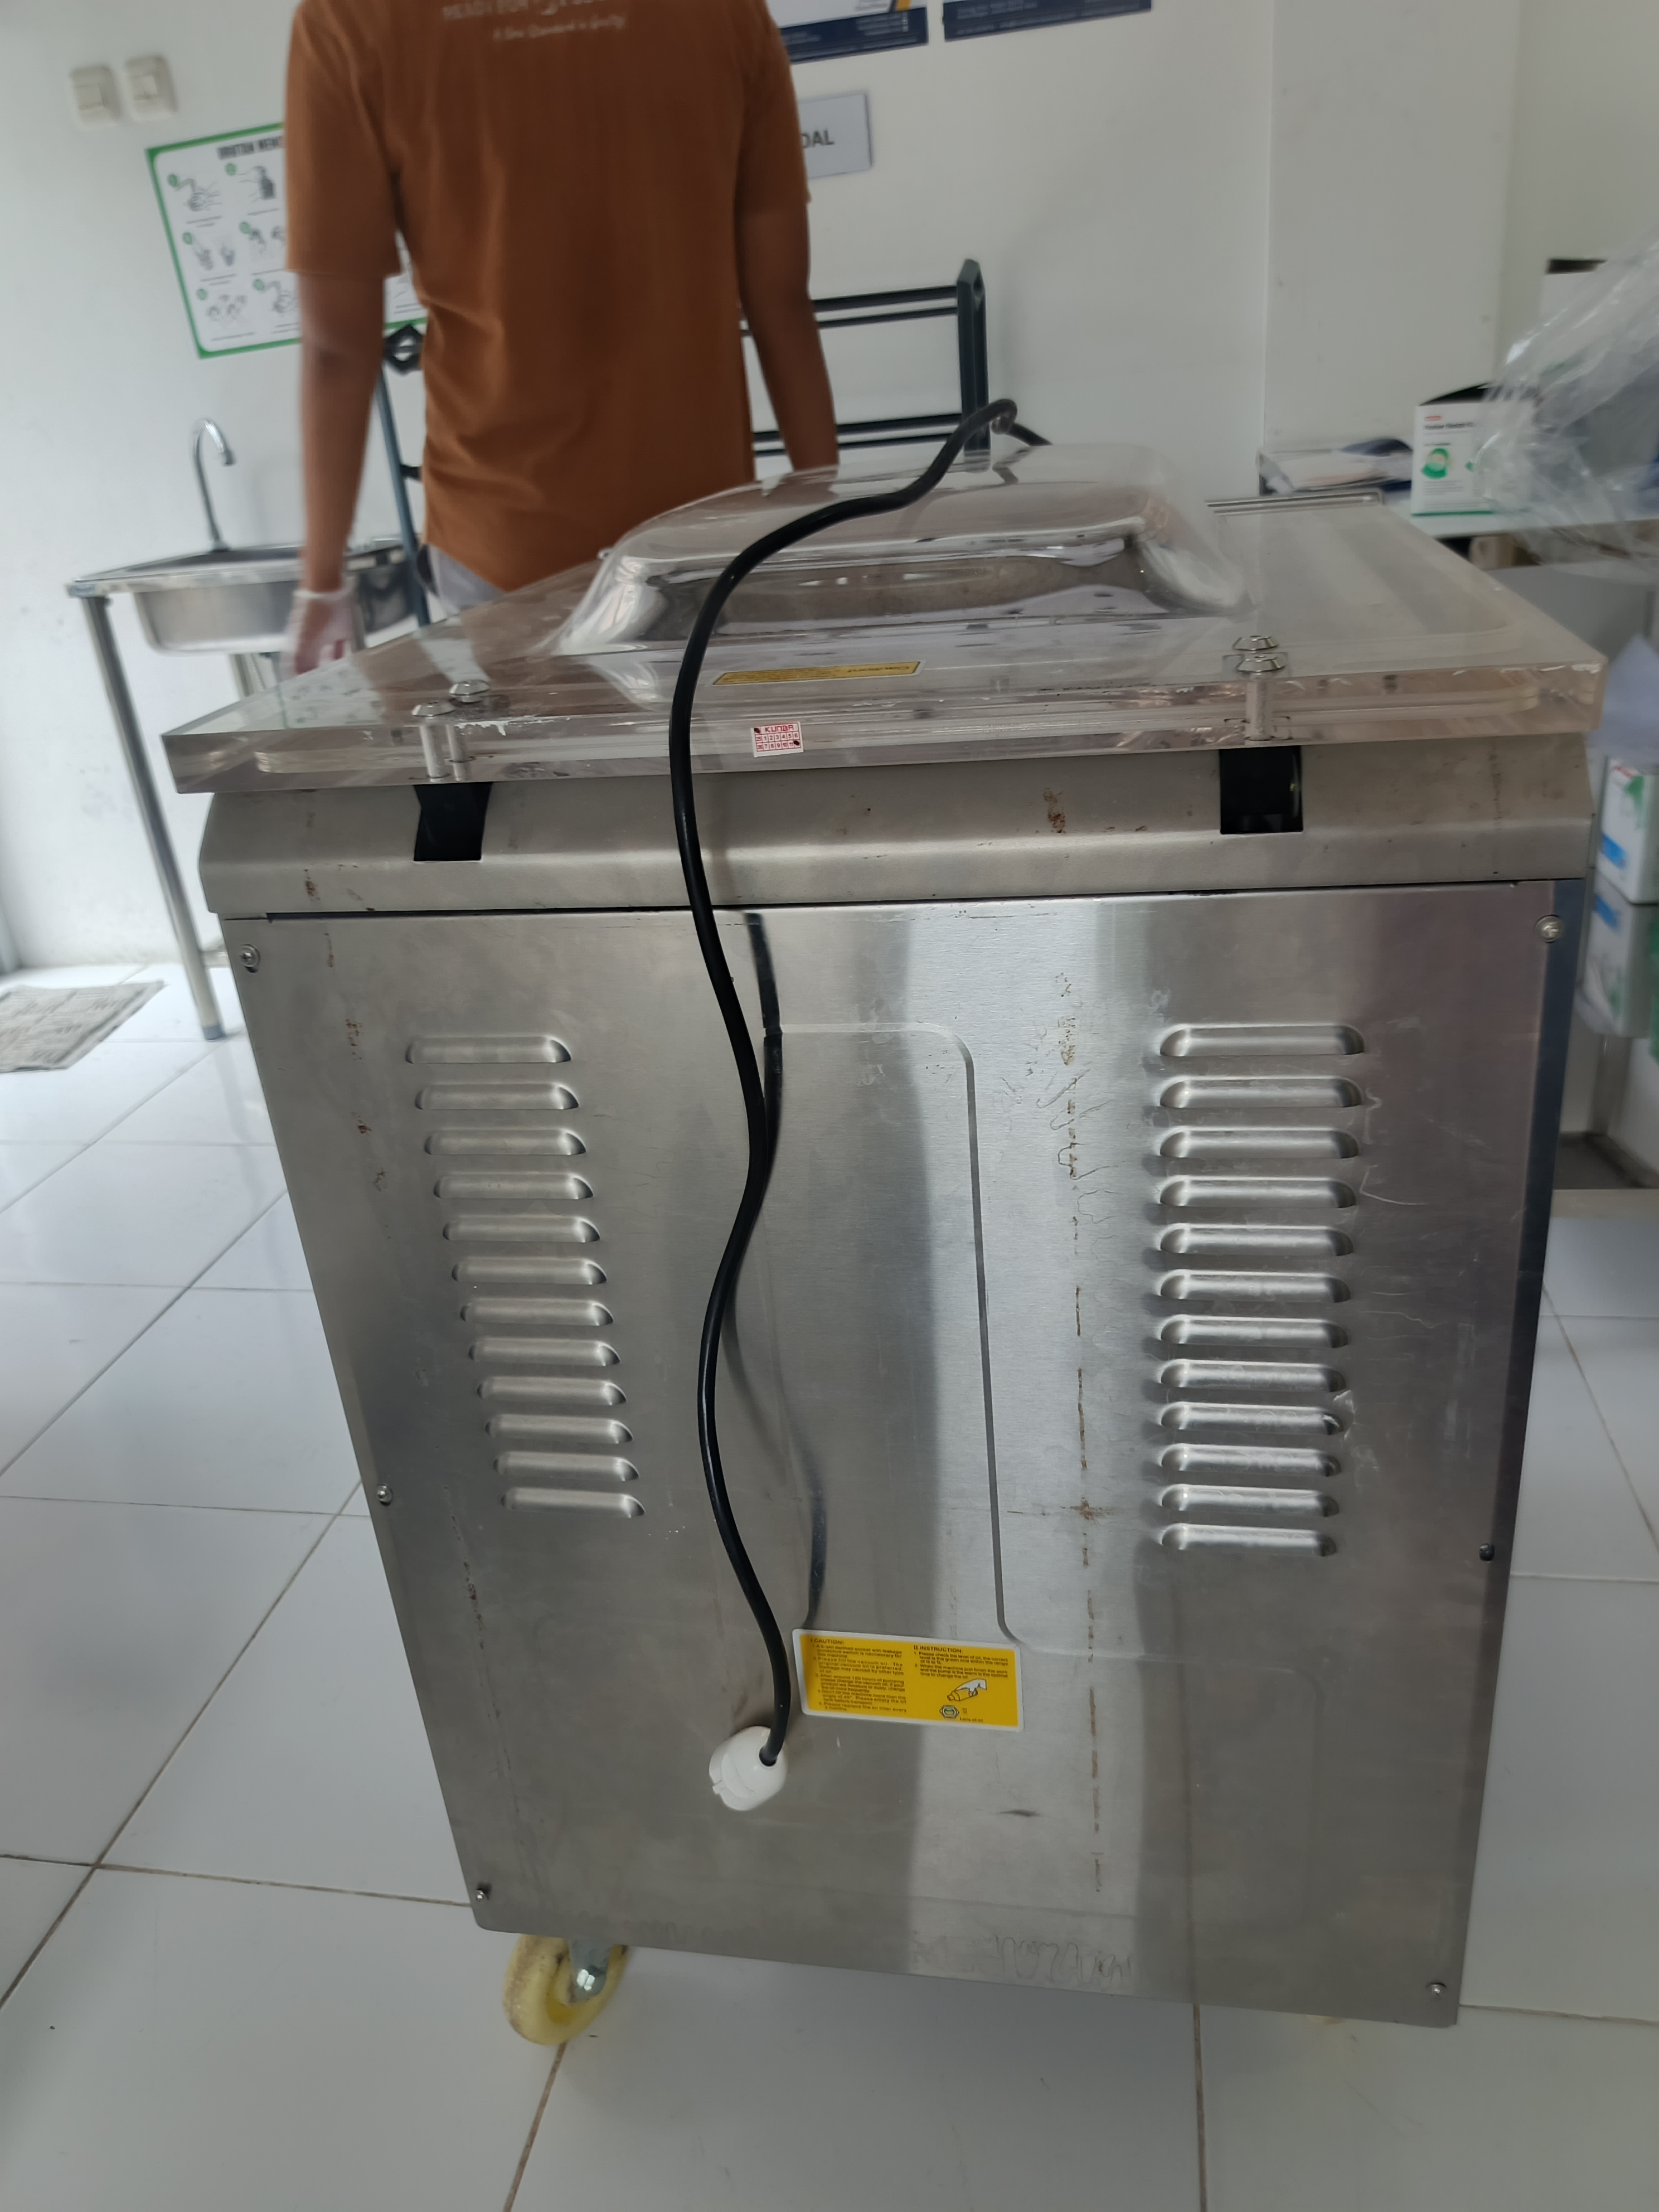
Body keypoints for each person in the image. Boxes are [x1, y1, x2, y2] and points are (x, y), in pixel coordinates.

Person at [282, 0, 838, 672]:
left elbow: (339, 348)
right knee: (702, 736)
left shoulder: (348, 21)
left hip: (501, 542)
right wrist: (825, 514)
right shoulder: (725, 11)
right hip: (696, 530)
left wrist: (323, 583)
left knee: (544, 744)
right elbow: (781, 299)